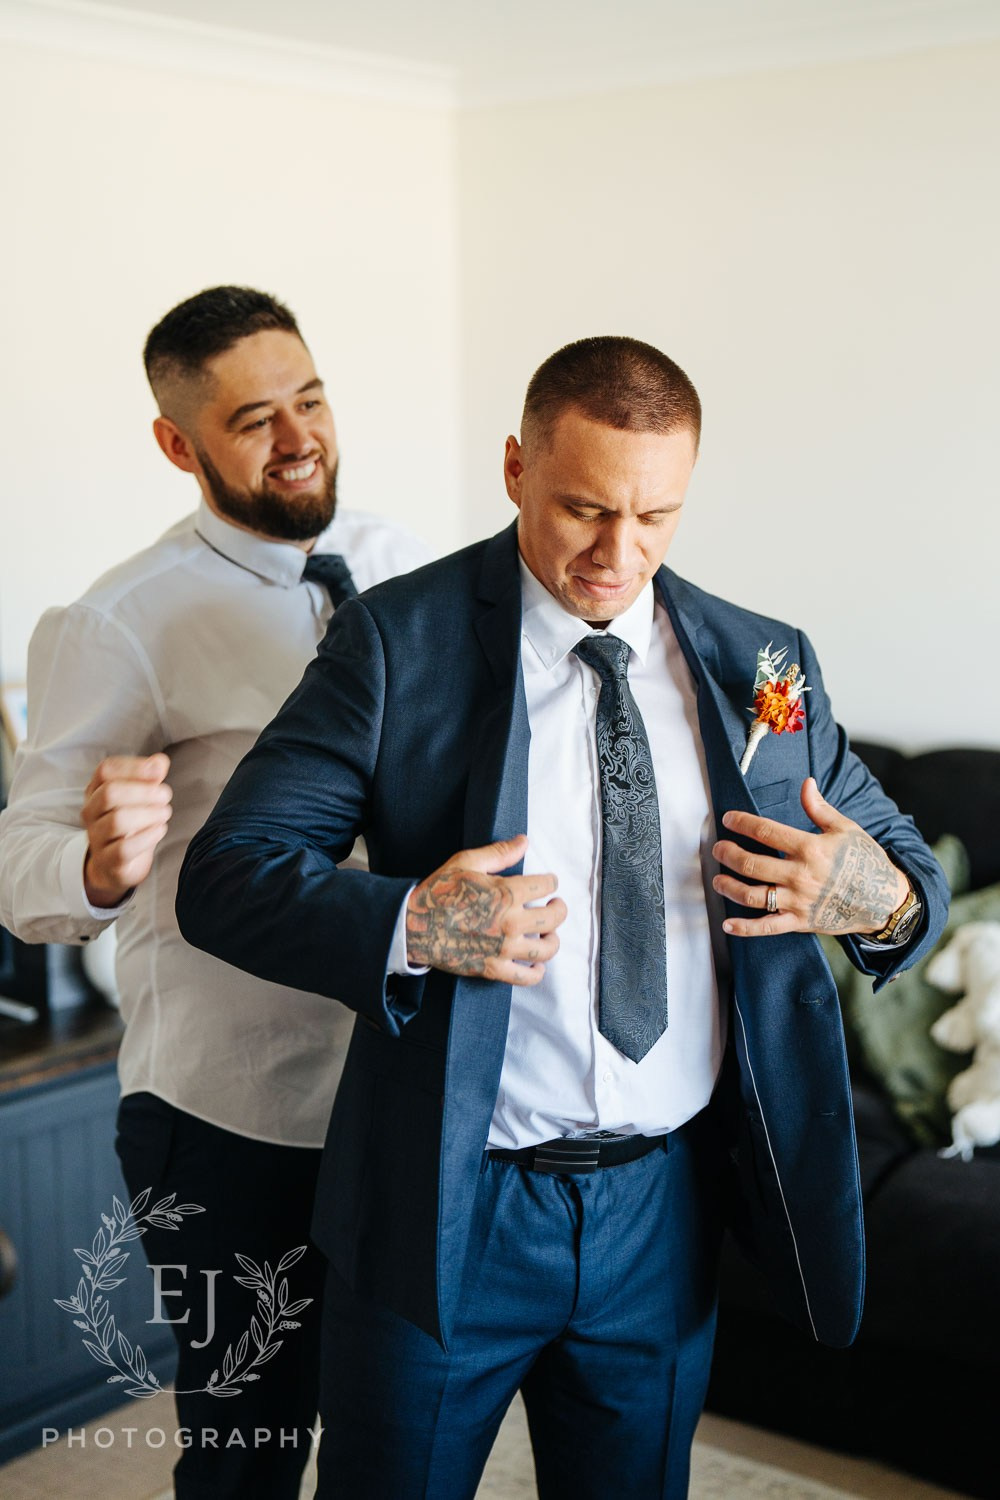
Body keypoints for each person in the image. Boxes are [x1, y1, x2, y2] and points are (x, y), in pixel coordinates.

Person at [175, 335, 948, 1500]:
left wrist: (875, 899)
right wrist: (412, 924)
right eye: (584, 507)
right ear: (513, 469)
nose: (616, 553)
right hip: (453, 1204)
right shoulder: (396, 643)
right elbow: (226, 874)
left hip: (662, 1209)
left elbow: (905, 885)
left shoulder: (763, 663)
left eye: (655, 516)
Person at [0, 285, 430, 1499]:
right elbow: (21, 859)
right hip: (229, 1117)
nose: (300, 437)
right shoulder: (117, 622)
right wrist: (94, 861)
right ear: (176, 446)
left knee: (395, 1429)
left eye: (310, 398)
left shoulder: (406, 565)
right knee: (249, 1447)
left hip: (399, 1085)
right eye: (254, 419)